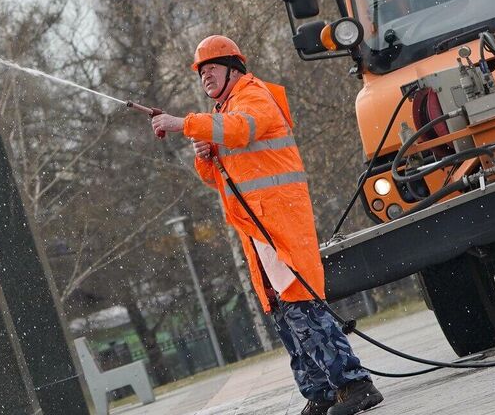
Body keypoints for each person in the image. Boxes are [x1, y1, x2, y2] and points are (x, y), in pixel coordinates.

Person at [149, 36, 382, 415]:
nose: (205, 75)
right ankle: (320, 394)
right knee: (283, 312)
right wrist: (205, 156)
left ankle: (355, 385)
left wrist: (185, 124)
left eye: (211, 68)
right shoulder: (224, 112)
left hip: (280, 223)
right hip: (258, 230)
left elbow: (241, 130)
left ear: (233, 68)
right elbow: (219, 177)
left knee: (302, 305)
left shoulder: (253, 95)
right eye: (201, 72)